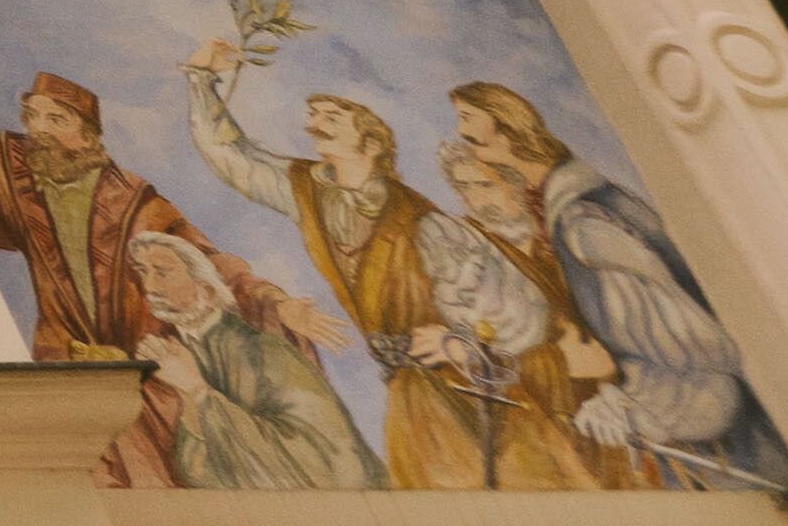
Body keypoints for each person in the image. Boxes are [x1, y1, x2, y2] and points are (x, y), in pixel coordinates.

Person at [187, 40, 566, 491]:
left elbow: (521, 312)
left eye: (332, 116)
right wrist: (201, 79)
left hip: (471, 396)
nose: (315, 125)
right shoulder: (308, 191)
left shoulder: (425, 224)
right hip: (409, 397)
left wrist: (458, 343)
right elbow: (233, 158)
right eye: (314, 114)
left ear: (371, 137)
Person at [443, 84, 788, 484]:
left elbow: (698, 355)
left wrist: (632, 409)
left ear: (504, 125)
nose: (460, 130)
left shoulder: (585, 224)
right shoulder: (561, 213)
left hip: (728, 457)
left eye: (467, 117)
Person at [0, 70, 232, 490]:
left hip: (141, 367)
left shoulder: (134, 202)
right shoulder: (18, 177)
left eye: (56, 120)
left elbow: (205, 263)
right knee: (74, 476)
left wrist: (274, 301)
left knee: (161, 480)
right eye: (33, 117)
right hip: (63, 360)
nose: (39, 130)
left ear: (88, 135)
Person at [121, 222, 386, 491]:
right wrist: (192, 397)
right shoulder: (185, 354)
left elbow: (324, 463)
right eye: (143, 272)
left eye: (162, 272)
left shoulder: (264, 352)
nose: (149, 286)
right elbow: (201, 475)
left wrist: (198, 391)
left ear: (208, 289)